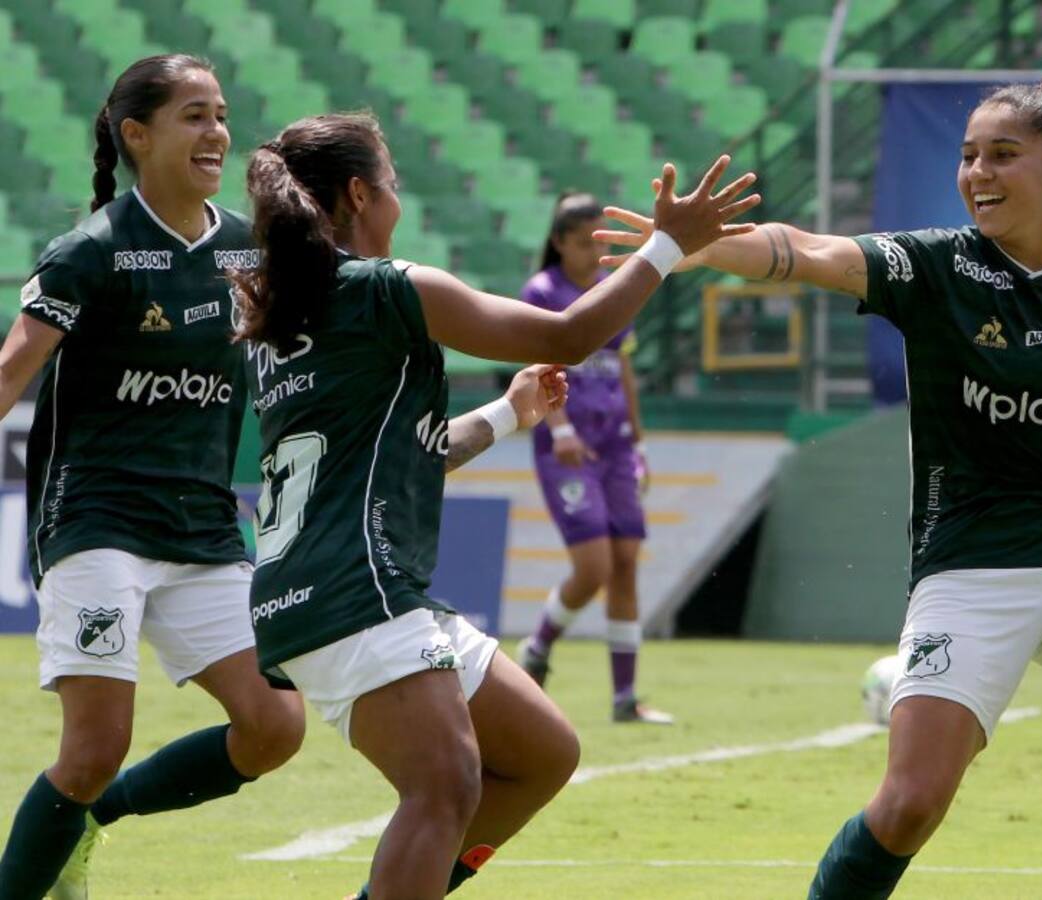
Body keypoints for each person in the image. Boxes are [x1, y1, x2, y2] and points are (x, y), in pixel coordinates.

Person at [598, 68, 1042, 899]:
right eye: (967, 156)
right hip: (970, 570)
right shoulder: (934, 266)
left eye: (1002, 155)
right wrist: (689, 247)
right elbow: (806, 251)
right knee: (910, 805)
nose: (978, 173)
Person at [230, 111, 757, 899]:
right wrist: (669, 244)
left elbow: (415, 452)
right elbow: (572, 333)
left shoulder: (281, 314)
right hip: (357, 590)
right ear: (358, 193)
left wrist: (510, 415)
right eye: (395, 185)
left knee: (543, 753)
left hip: (331, 588)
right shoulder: (385, 288)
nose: (398, 202)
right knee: (445, 788)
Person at [0, 55, 306, 900]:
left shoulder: (250, 247)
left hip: (204, 524)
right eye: (194, 116)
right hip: (96, 519)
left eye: (220, 114)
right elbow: (8, 374)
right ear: (138, 135)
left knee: (275, 726)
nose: (216, 133)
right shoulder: (91, 252)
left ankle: (88, 823)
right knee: (94, 750)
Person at [514, 192, 671, 724]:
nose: (590, 253)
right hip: (568, 448)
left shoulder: (609, 292)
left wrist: (640, 442)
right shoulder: (542, 292)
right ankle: (537, 647)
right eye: (582, 243)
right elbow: (534, 366)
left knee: (625, 563)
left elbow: (622, 370)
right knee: (595, 566)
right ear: (558, 243)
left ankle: (625, 698)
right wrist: (558, 428)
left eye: (597, 243)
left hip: (615, 445)